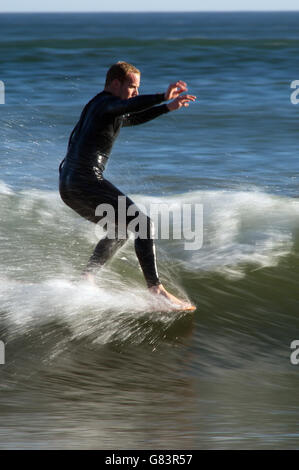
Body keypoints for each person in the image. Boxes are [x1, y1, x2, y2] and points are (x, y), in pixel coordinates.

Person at [59, 61, 196, 310]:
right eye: (132, 87)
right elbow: (129, 106)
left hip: (68, 185)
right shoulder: (106, 103)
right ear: (115, 84)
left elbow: (131, 117)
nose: (136, 93)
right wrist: (160, 96)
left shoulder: (100, 107)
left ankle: (86, 279)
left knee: (121, 229)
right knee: (143, 224)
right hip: (86, 180)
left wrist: (167, 107)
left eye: (137, 88)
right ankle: (156, 290)